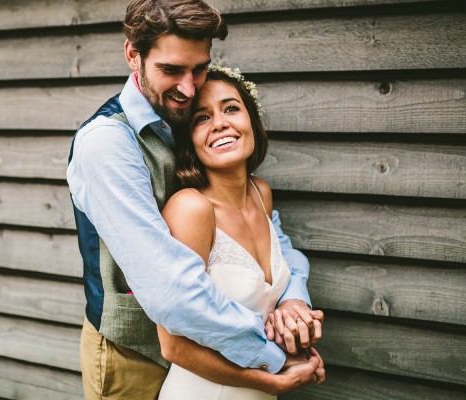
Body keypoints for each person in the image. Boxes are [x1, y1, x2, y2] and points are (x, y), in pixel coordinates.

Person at [66, 1, 323, 398]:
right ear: (133, 54)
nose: (189, 88)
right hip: (131, 355)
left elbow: (276, 242)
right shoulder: (108, 143)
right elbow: (169, 287)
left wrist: (292, 302)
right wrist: (270, 352)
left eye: (199, 68)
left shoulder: (183, 112)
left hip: (206, 349)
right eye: (171, 70)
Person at [157, 65, 325, 399]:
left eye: (231, 108)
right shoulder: (190, 209)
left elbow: (280, 276)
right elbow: (173, 346)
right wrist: (278, 371)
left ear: (251, 121)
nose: (220, 123)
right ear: (189, 139)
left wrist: (292, 313)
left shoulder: (260, 193)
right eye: (201, 118)